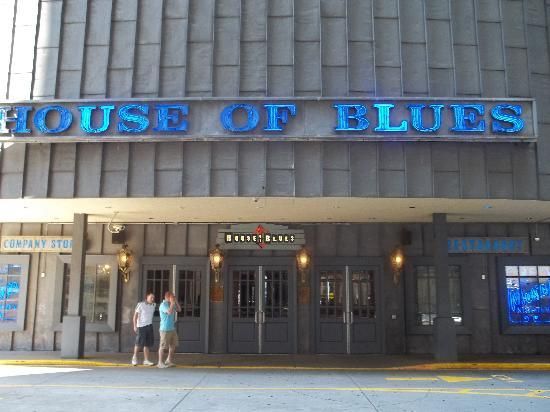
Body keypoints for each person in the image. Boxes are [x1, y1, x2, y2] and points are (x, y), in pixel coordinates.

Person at [158, 291, 181, 368]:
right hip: (165, 329)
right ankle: (160, 362)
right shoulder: (163, 305)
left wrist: (176, 302)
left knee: (173, 345)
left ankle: (169, 360)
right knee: (163, 346)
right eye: (172, 297)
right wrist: (172, 303)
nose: (173, 298)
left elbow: (179, 309)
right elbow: (169, 312)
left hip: (172, 328)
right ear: (167, 297)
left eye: (174, 297)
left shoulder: (171, 304)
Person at [132, 292, 156, 366]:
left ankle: (146, 360)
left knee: (147, 344)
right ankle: (134, 358)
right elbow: (135, 316)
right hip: (141, 326)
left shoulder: (153, 305)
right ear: (147, 297)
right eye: (151, 297)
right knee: (138, 343)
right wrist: (135, 326)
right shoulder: (141, 304)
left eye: (153, 298)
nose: (152, 299)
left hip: (149, 326)